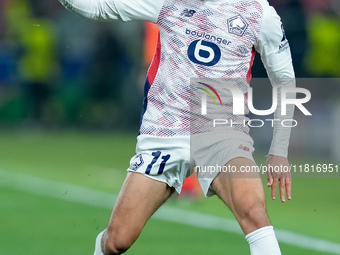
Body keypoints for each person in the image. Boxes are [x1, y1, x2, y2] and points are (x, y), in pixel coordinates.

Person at [58, 0, 295, 254]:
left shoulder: (259, 13)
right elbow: (100, 7)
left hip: (222, 134)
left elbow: (285, 81)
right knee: (118, 241)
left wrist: (278, 150)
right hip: (165, 131)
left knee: (253, 211)